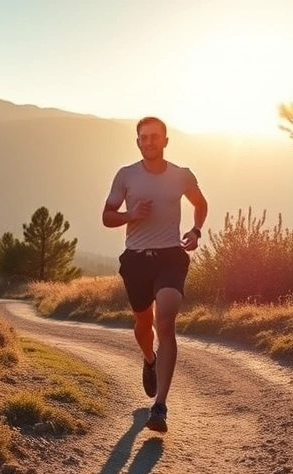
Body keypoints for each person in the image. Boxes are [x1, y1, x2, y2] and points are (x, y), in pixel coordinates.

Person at [101, 116, 208, 433]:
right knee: (143, 324)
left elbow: (200, 204)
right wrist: (130, 215)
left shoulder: (181, 175)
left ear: (165, 141)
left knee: (166, 322)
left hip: (170, 257)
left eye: (155, 137)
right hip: (135, 260)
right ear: (138, 142)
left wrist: (196, 230)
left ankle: (160, 406)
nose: (149, 142)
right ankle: (149, 359)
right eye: (143, 137)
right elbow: (107, 216)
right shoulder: (125, 176)